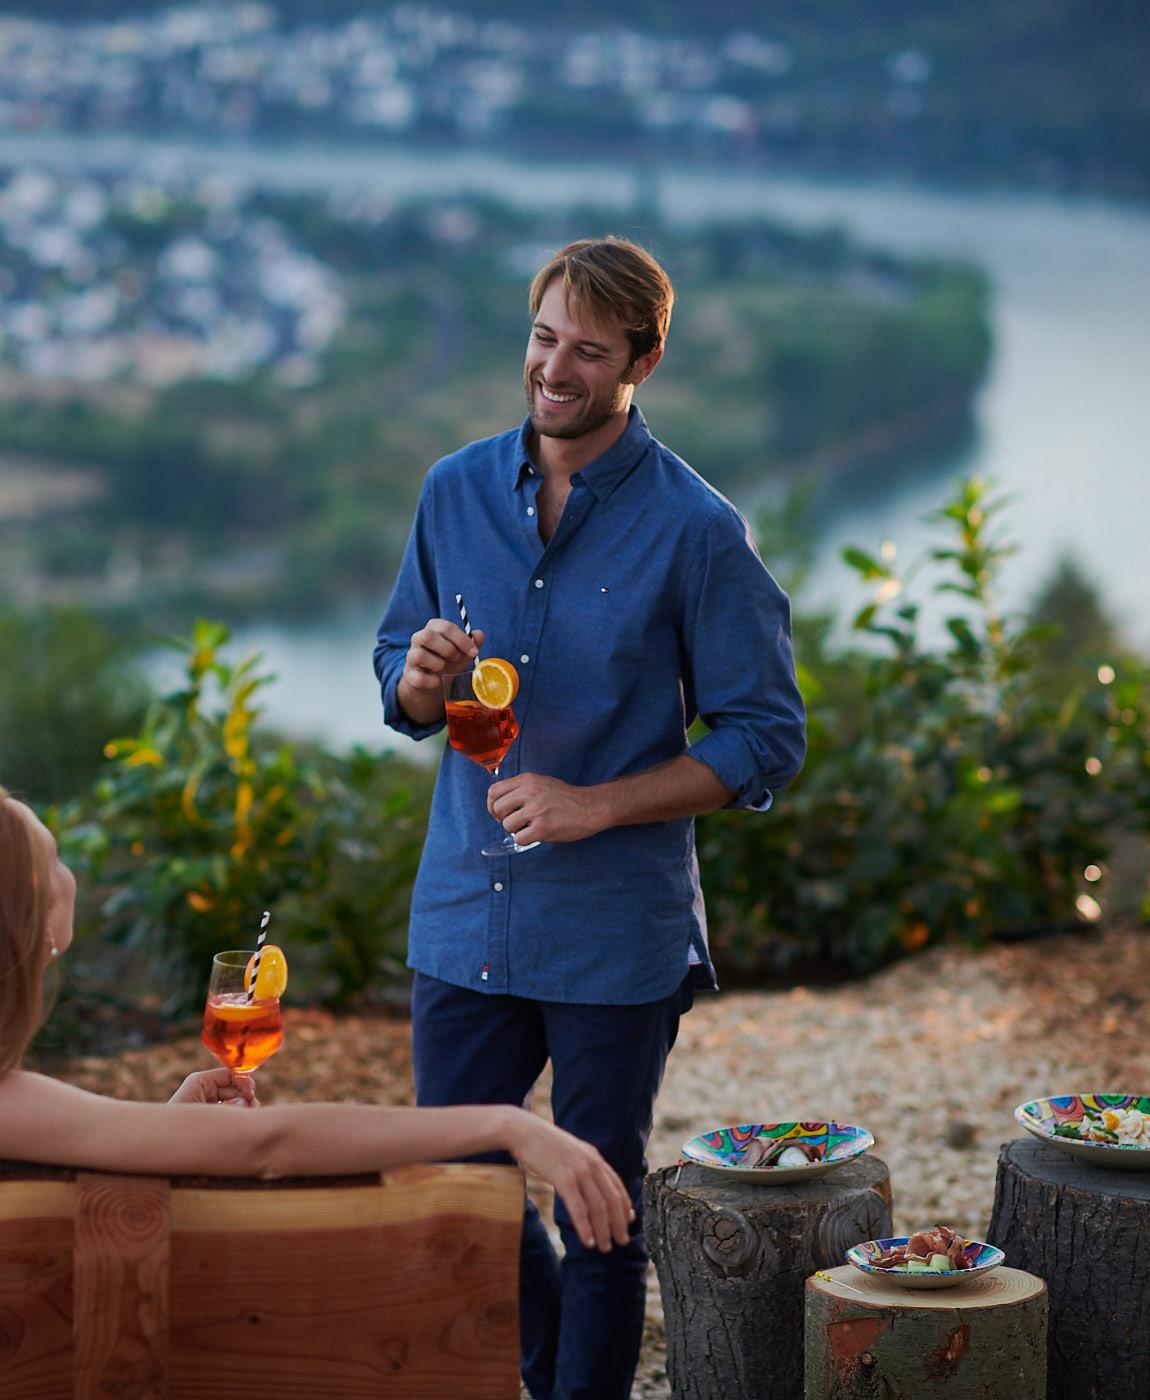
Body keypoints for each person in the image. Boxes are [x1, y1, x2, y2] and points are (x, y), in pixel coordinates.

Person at [373, 236, 806, 1399]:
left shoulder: (698, 529)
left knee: (598, 1205)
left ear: (643, 363)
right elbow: (396, 669)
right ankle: (545, 1367)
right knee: (462, 1182)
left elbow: (765, 738)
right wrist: (417, 677)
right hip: (465, 907)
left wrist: (593, 804)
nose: (554, 369)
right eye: (542, 337)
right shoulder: (453, 487)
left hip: (614, 931)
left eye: (588, 350)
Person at [0, 780, 633, 1258]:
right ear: (16, 916)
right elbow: (266, 1146)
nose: (68, 875)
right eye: (52, 858)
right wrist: (507, 1126)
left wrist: (156, 1132)